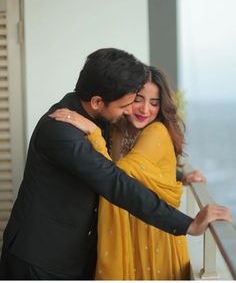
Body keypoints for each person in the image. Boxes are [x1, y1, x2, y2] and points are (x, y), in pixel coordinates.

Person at [0, 48, 231, 280]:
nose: (130, 111)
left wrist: (177, 174)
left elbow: (127, 160)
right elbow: (115, 180)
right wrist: (188, 225)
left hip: (75, 253)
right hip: (41, 259)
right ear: (98, 101)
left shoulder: (95, 114)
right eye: (124, 106)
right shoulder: (62, 131)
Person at [48, 66, 205, 279]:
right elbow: (141, 169)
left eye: (154, 103)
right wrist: (180, 176)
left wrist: (93, 133)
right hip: (129, 227)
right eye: (139, 99)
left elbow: (120, 173)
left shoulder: (156, 131)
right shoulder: (117, 127)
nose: (145, 109)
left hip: (153, 231)